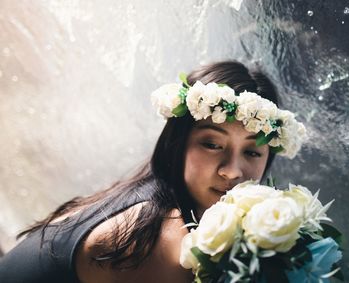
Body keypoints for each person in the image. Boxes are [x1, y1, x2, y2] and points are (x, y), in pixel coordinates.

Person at [0, 60, 305, 283]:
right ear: (179, 143)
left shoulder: (149, 197)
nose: (232, 171)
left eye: (252, 152)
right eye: (212, 144)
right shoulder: (161, 239)